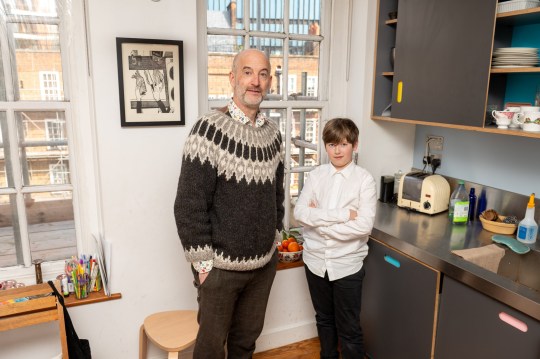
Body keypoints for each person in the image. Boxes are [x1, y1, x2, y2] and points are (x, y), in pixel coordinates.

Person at [174, 48, 285, 359]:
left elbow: (277, 193)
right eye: (248, 72)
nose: (256, 81)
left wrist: (274, 238)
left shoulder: (273, 135)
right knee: (210, 351)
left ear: (270, 82)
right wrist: (204, 266)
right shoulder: (209, 130)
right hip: (220, 269)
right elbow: (188, 204)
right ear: (233, 78)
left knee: (244, 346)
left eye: (263, 74)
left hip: (263, 267)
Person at [293, 118, 377, 359]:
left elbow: (363, 226)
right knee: (324, 321)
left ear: (355, 145)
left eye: (343, 144)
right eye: (331, 145)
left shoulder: (364, 180)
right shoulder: (317, 175)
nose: (337, 150)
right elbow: (299, 213)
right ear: (325, 146)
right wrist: (342, 216)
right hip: (315, 262)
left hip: (347, 265)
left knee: (349, 329)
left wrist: (317, 222)